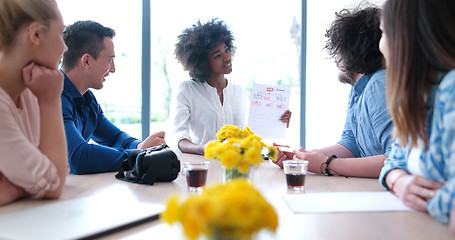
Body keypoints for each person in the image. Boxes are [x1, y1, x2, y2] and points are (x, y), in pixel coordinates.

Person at [273, 3, 393, 178]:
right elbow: (350, 145)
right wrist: (301, 158)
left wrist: (326, 164)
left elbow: (396, 158)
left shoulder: (378, 85)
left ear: (353, 51)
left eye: (339, 50)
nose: (336, 59)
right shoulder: (358, 91)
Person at [378, 0, 455, 229]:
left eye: (382, 32)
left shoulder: (451, 89)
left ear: (404, 36)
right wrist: (399, 181)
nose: (380, 43)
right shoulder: (414, 98)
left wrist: (428, 197)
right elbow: (392, 161)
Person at [171, 19, 292, 155]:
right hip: (202, 166)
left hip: (237, 166)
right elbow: (177, 137)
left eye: (226, 50)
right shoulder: (187, 90)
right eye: (218, 55)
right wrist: (203, 149)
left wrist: (277, 121)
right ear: (203, 62)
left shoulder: (239, 91)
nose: (227, 57)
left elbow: (251, 133)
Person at [61, 20, 166, 174]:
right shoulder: (54, 95)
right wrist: (138, 155)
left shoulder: (88, 99)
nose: (113, 69)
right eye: (109, 60)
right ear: (87, 61)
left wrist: (140, 146)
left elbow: (114, 138)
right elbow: (78, 158)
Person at [0, 0, 67, 205]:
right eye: (61, 33)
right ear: (36, 34)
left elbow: (58, 170)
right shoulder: (42, 94)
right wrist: (50, 101)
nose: (64, 47)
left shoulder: (30, 91)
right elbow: (52, 184)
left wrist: (15, 188)